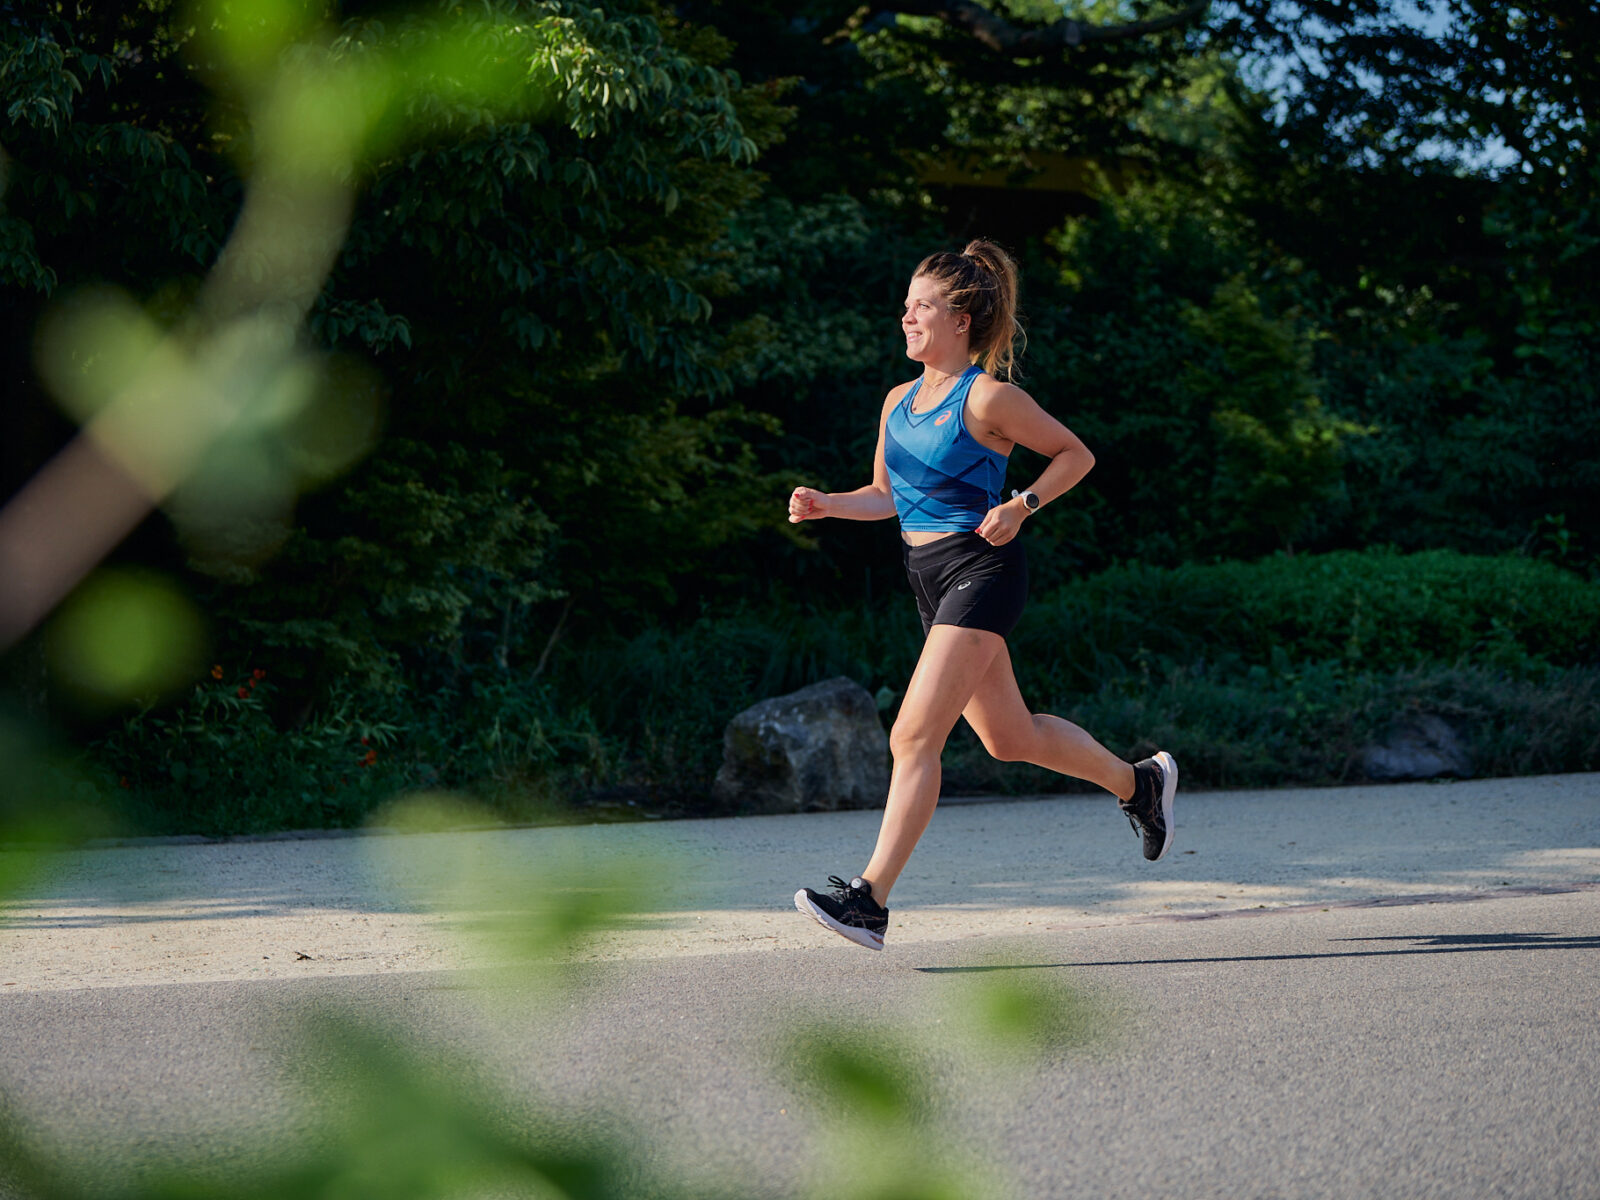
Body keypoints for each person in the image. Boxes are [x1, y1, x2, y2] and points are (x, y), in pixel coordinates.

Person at [790, 239, 1177, 951]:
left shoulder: (989, 397)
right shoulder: (896, 402)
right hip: (928, 579)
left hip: (983, 568)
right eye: (906, 306)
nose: (906, 317)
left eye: (922, 308)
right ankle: (1139, 784)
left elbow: (1076, 454)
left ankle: (870, 902)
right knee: (1009, 738)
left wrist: (1023, 503)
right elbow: (884, 496)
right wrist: (827, 505)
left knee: (912, 735)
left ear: (961, 319)